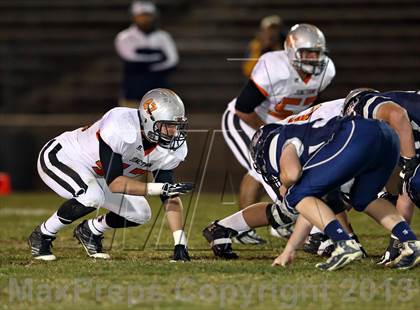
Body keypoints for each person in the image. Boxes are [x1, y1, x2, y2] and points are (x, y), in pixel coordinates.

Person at [204, 114, 420, 270]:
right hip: (387, 137)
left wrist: (285, 183)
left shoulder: (274, 141)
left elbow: (292, 173)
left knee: (296, 194)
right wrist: (289, 251)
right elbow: (309, 209)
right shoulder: (304, 134)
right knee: (364, 198)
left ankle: (345, 244)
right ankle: (410, 242)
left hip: (357, 135)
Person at [28, 88, 193, 262]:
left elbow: (169, 195)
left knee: (140, 213)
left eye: (176, 126)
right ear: (148, 119)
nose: (173, 132)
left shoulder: (169, 148)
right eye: (167, 126)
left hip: (98, 175)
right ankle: (43, 235)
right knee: (91, 197)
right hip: (63, 157)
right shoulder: (122, 126)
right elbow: (115, 183)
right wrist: (161, 188)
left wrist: (180, 243)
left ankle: (91, 230)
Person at [222, 23, 335, 244]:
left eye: (317, 53)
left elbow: (311, 101)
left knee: (289, 172)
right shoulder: (274, 67)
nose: (313, 58)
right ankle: (243, 228)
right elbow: (244, 108)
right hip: (246, 120)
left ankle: (279, 223)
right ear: (292, 52)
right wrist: (268, 134)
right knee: (261, 169)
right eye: (307, 53)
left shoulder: (326, 70)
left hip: (282, 125)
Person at [342, 89, 420, 264]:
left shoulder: (362, 103)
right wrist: (397, 244)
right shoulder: (403, 135)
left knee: (414, 181)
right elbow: (405, 192)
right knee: (412, 182)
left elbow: (396, 114)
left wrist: (408, 164)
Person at [115, 1, 179, 108]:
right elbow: (130, 60)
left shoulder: (163, 36)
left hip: (158, 91)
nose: (145, 19)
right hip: (133, 90)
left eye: (148, 15)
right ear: (134, 16)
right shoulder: (124, 37)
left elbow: (172, 62)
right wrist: (158, 57)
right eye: (141, 16)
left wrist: (144, 60)